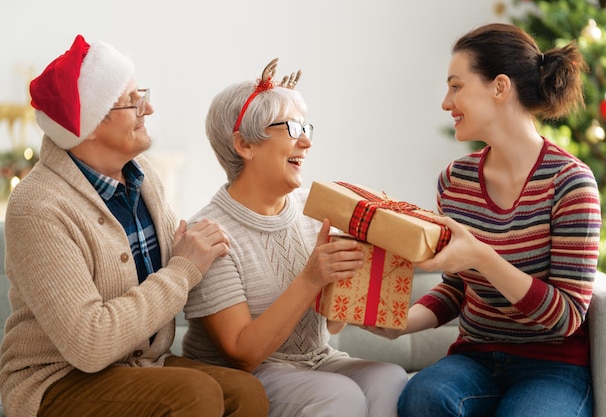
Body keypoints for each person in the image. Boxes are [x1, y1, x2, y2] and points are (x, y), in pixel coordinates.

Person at [0, 35, 269, 417]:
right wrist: (182, 270)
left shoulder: (145, 179)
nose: (149, 108)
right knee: (193, 395)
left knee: (247, 393)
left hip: (141, 365)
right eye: (133, 101)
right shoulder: (38, 206)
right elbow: (89, 343)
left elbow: (181, 268)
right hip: (57, 381)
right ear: (89, 124)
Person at [366, 23, 601, 417]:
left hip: (552, 367)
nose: (445, 102)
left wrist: (482, 255)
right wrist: (401, 323)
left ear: (499, 87)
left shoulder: (570, 183)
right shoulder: (455, 181)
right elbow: (457, 287)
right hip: (475, 358)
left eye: (456, 86)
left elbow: (566, 317)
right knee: (421, 396)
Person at [181, 58, 408, 417]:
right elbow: (243, 352)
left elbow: (331, 325)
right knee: (339, 395)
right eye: (290, 127)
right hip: (246, 374)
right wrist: (313, 277)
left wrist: (356, 274)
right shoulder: (208, 233)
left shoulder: (316, 211)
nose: (306, 141)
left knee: (390, 378)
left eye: (306, 127)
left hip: (316, 361)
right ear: (245, 145)